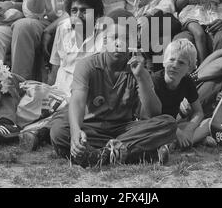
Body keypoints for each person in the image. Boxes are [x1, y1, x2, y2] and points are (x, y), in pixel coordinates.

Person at [49, 9, 177, 167]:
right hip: (91, 128)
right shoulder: (88, 65)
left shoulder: (138, 69)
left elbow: (153, 114)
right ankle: (135, 152)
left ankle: (100, 154)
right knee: (59, 130)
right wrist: (76, 132)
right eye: (114, 37)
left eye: (125, 38)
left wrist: (142, 78)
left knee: (168, 123)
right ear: (104, 41)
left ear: (134, 41)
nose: (119, 43)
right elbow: (77, 102)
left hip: (123, 130)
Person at [19, 0, 106, 151]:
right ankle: (23, 127)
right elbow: (56, 65)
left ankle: (39, 131)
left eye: (84, 11)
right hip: (61, 91)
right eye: (74, 10)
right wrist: (48, 90)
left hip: (87, 93)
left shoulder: (105, 34)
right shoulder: (63, 28)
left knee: (76, 106)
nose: (78, 15)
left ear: (96, 15)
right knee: (30, 96)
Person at [152, 39, 205, 149]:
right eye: (171, 60)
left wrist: (189, 130)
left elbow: (198, 112)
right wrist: (177, 131)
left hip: (174, 126)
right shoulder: (155, 81)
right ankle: (187, 141)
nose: (175, 65)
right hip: (155, 125)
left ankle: (178, 143)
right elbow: (152, 116)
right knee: (156, 134)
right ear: (164, 61)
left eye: (181, 63)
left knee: (207, 124)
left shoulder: (187, 81)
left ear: (189, 69)